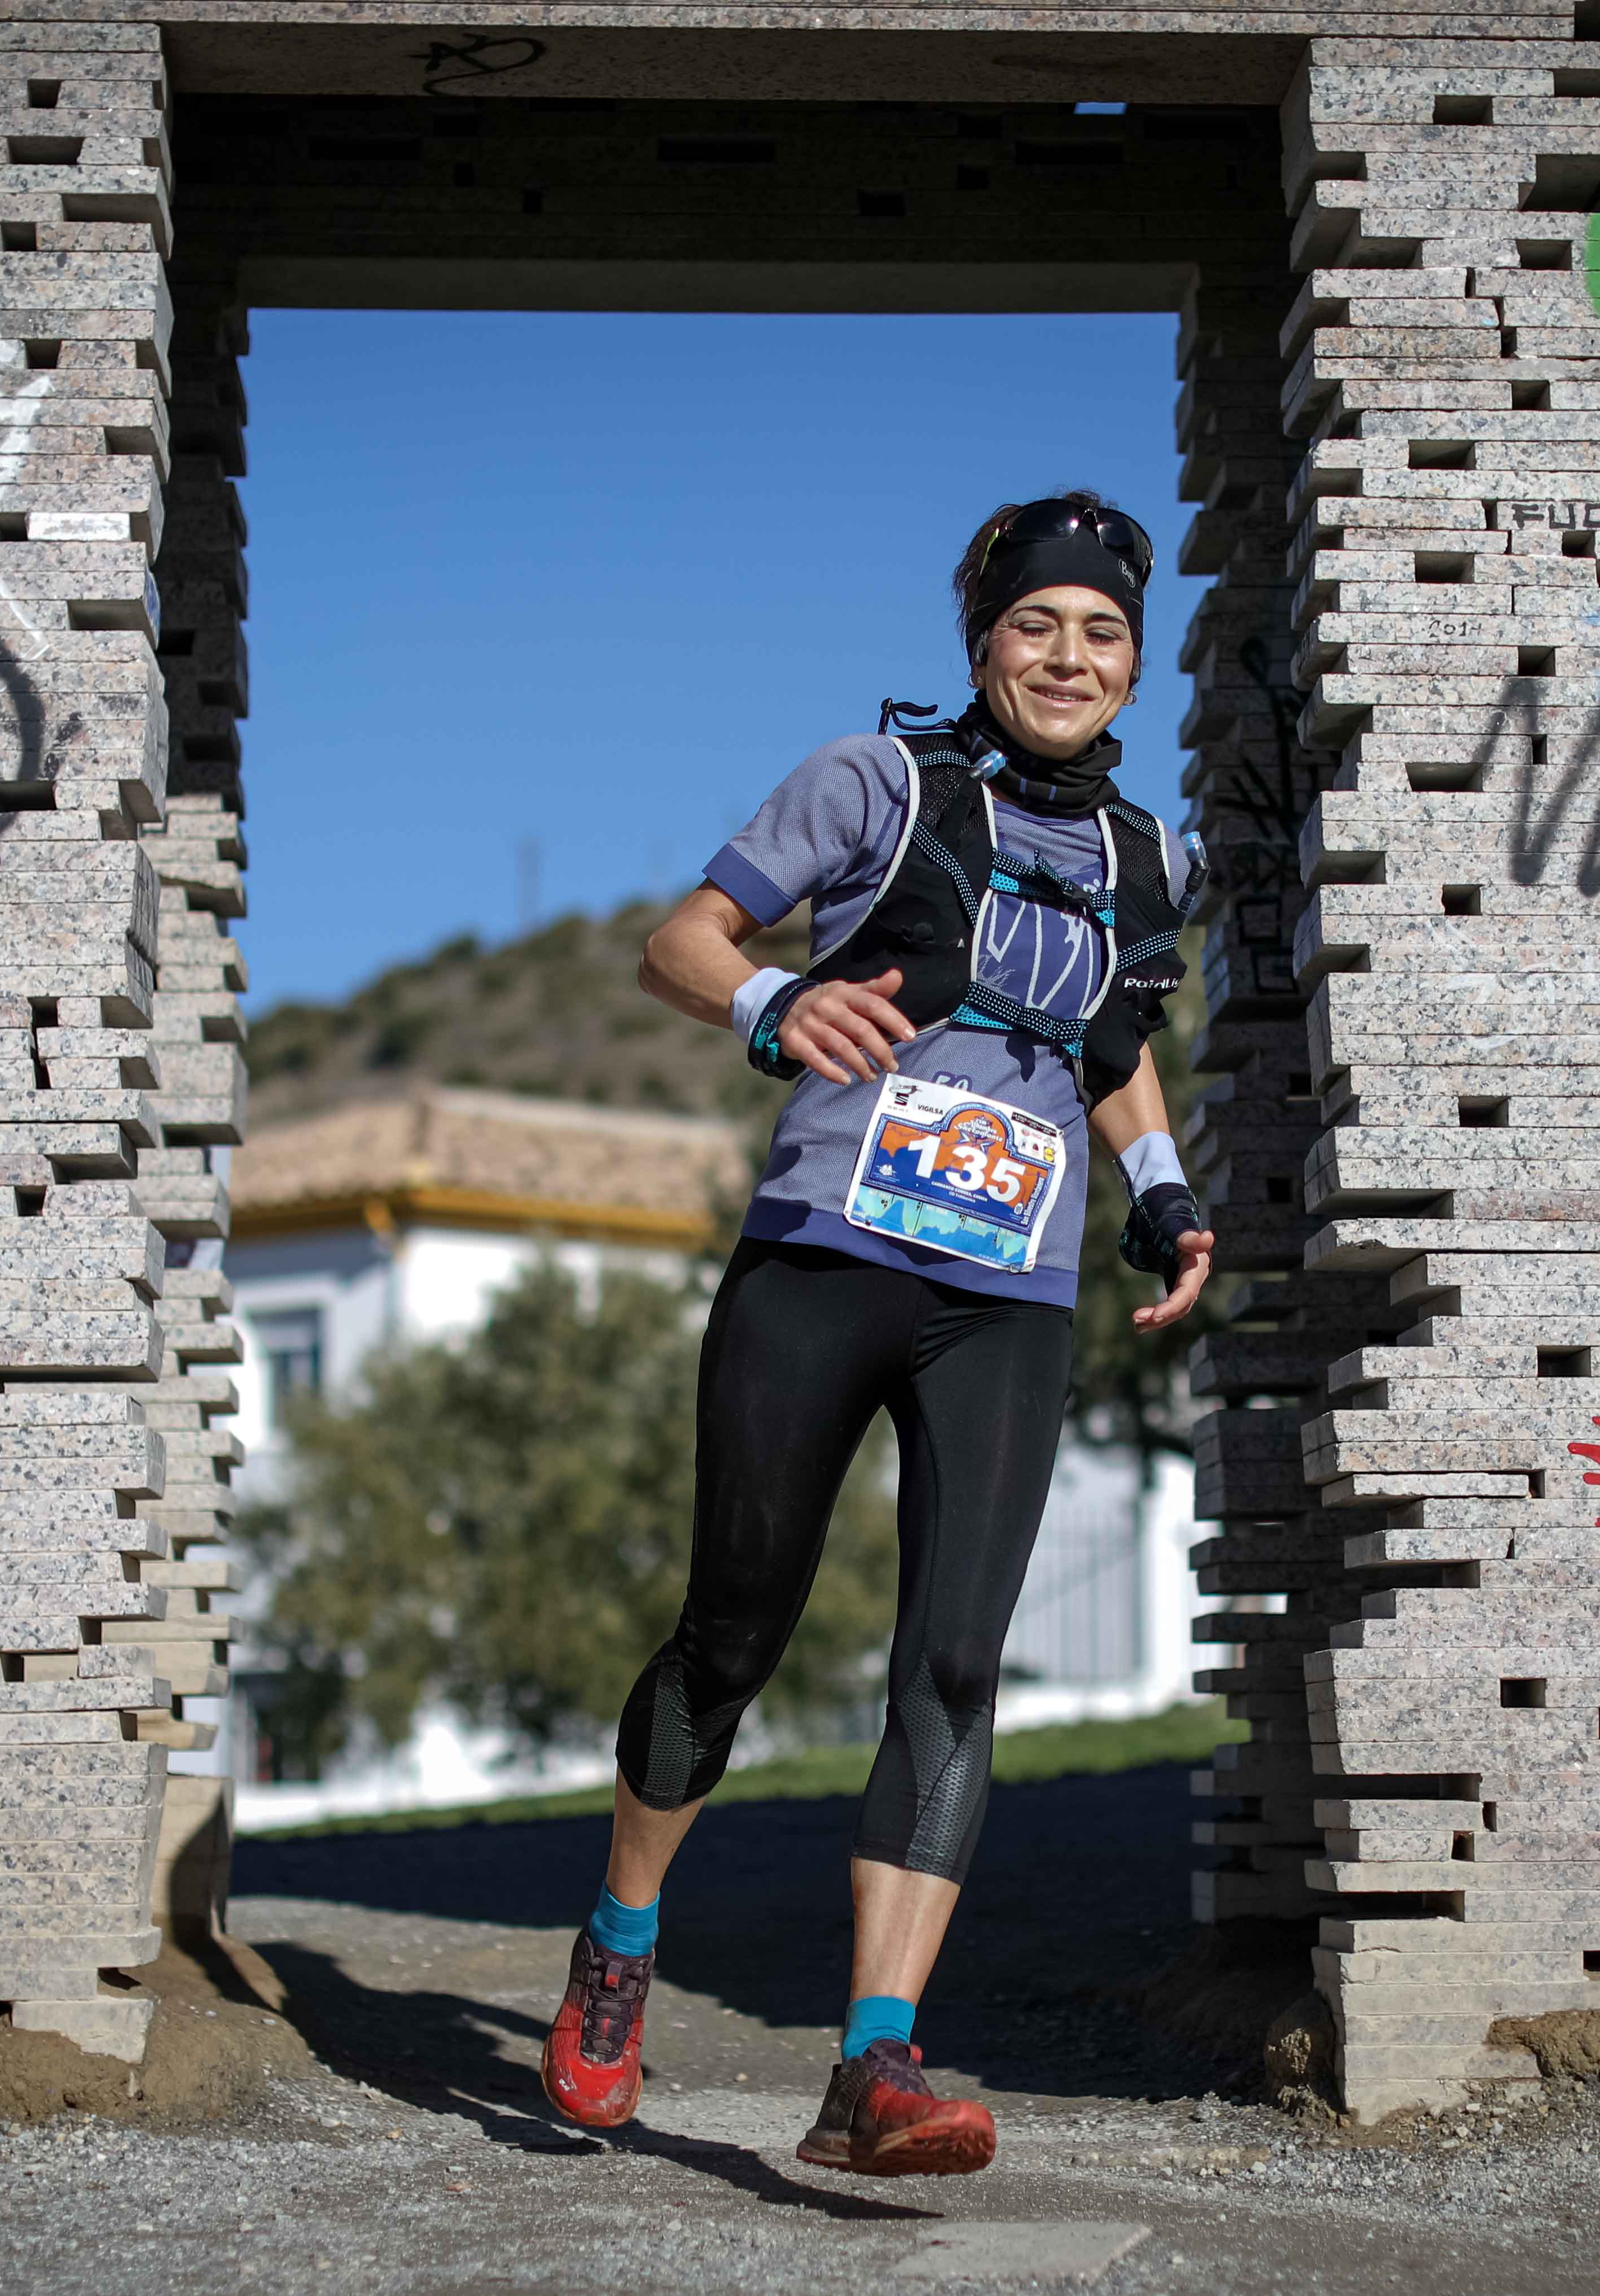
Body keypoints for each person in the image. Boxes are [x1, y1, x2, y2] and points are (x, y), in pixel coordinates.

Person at [539, 492, 1216, 2177]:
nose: (1070, 656)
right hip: (828, 1254)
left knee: (958, 1662)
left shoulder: (1154, 858)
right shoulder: (873, 781)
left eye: (1105, 633)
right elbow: (679, 943)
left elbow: (1112, 1034)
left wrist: (1163, 1183)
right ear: (984, 639)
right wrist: (776, 1002)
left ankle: (873, 2070)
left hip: (1012, 1294)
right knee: (736, 1630)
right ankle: (620, 1947)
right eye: (1039, 624)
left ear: (1137, 665)